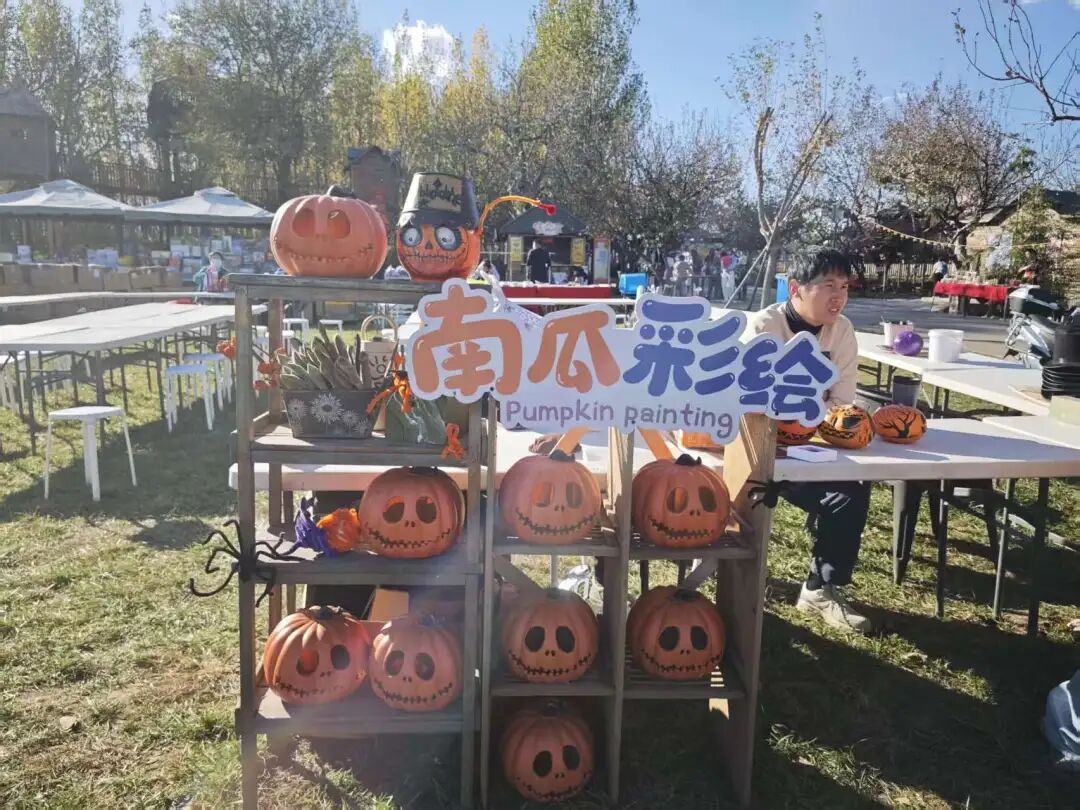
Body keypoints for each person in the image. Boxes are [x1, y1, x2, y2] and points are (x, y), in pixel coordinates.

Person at [745, 249, 871, 634]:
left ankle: (820, 588)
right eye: (828, 285)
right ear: (796, 288)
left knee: (850, 492)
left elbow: (841, 403)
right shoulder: (765, 327)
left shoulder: (842, 331)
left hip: (811, 447)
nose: (839, 296)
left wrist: (807, 425)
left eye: (844, 287)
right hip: (757, 448)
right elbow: (747, 402)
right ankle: (735, 586)